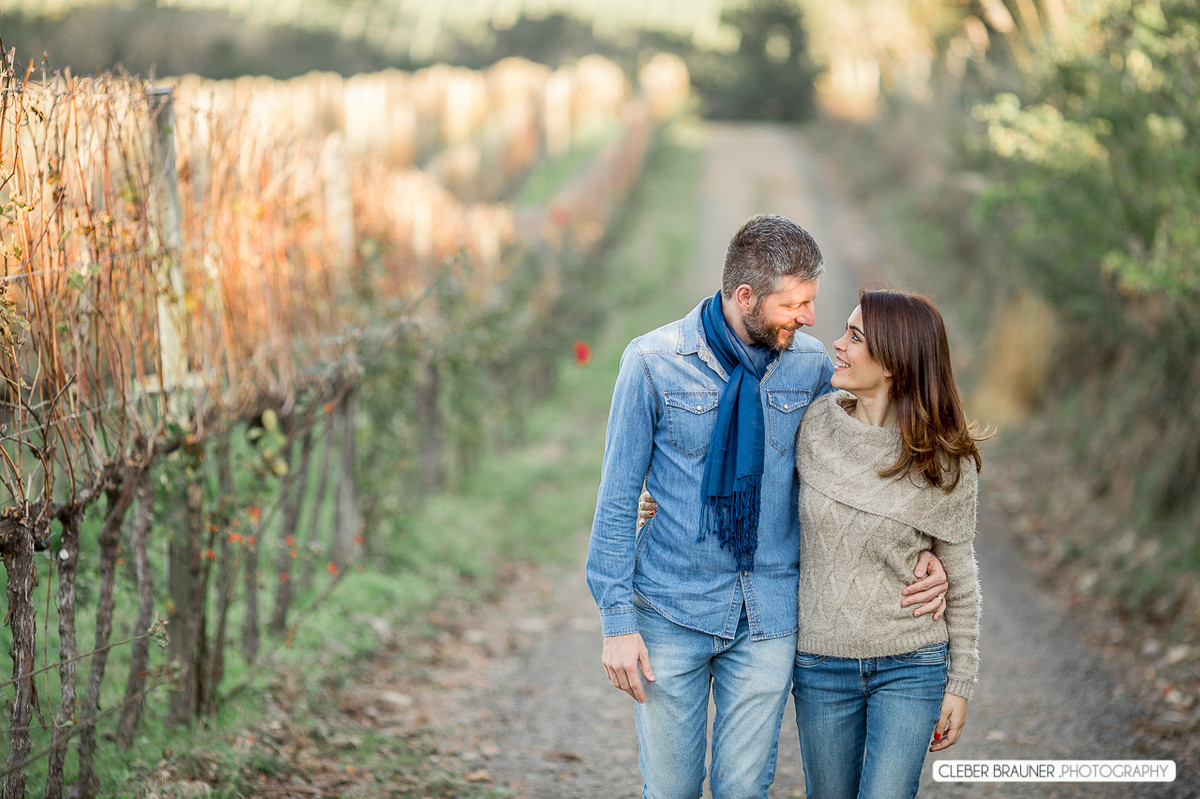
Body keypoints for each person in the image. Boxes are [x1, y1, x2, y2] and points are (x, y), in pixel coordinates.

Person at [585, 214, 949, 799]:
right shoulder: (652, 362)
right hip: (669, 610)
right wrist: (617, 624)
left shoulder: (810, 366)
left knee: (744, 788)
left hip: (769, 616)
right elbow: (616, 499)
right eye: (795, 304)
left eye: (812, 302)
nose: (809, 318)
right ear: (745, 296)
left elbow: (866, 454)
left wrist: (926, 546)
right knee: (671, 789)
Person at [789, 289, 986, 798]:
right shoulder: (812, 427)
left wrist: (959, 684)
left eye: (854, 337)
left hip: (911, 664)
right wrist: (660, 498)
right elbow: (754, 495)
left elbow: (961, 578)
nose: (837, 344)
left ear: (895, 363)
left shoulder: (942, 458)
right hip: (821, 663)